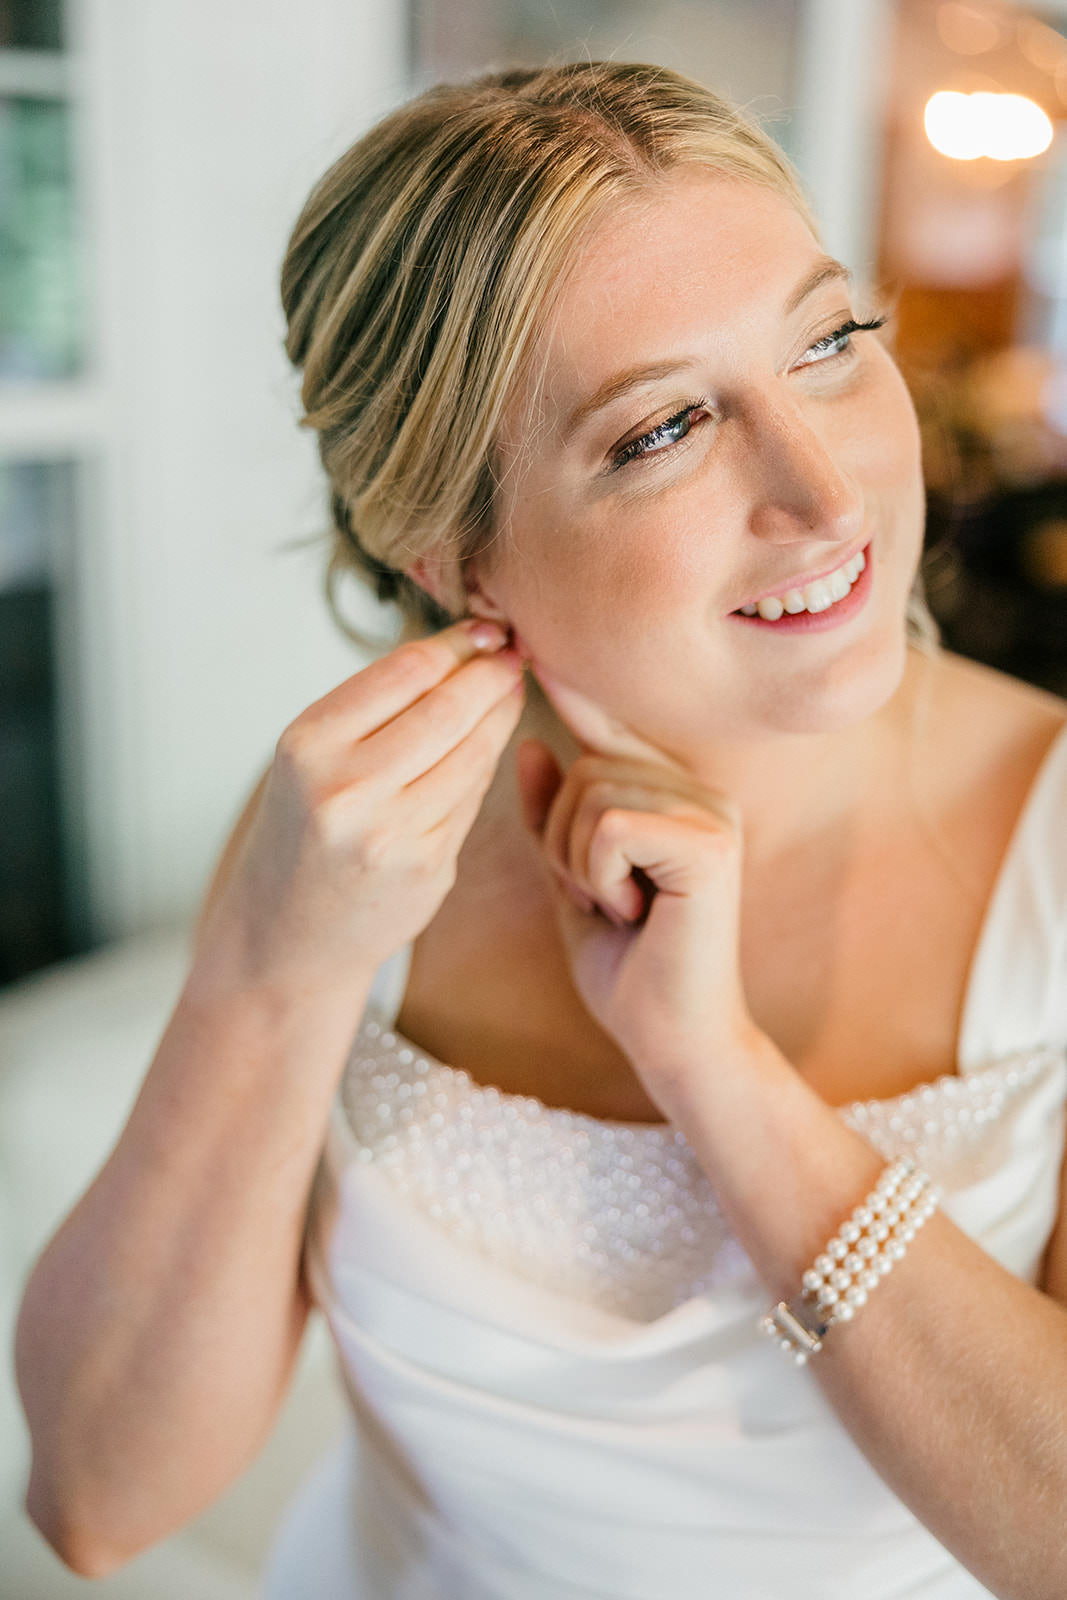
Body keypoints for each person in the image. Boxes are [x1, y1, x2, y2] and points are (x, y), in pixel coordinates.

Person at [15, 60, 1067, 1600]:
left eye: (830, 342)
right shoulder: (349, 837)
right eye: (661, 432)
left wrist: (710, 1070)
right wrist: (270, 960)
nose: (825, 489)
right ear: (457, 553)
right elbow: (97, 1497)